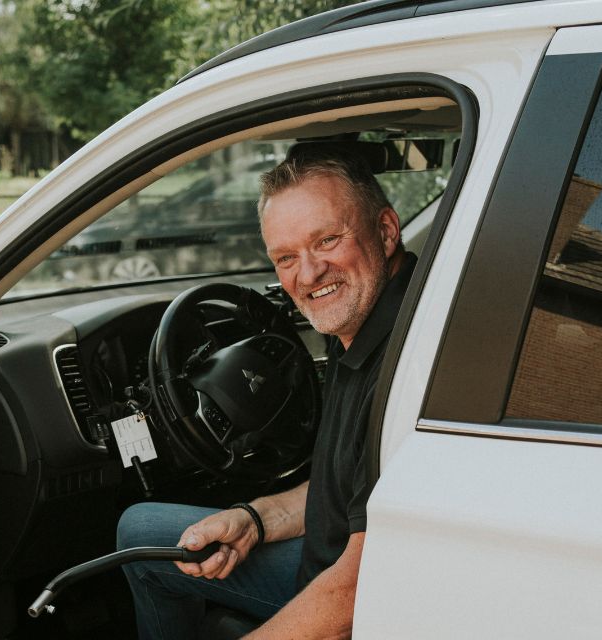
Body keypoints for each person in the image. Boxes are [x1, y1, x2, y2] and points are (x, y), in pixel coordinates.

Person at [117, 141, 417, 639]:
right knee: (141, 532)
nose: (308, 274)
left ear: (385, 231)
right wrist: (255, 519)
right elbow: (344, 492)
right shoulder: (357, 322)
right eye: (285, 257)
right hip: (329, 562)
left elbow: (365, 586)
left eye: (326, 241)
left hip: (354, 592)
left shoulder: (408, 356)